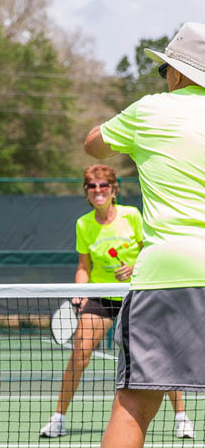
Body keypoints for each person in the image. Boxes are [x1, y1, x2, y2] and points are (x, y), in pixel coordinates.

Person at [84, 22, 205, 448]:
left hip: (166, 274)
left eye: (164, 71)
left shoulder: (149, 110)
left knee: (134, 404)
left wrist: (126, 134)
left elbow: (94, 144)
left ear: (176, 73)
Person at [39, 165, 194, 439]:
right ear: (86, 193)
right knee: (79, 353)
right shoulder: (83, 224)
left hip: (138, 292)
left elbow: (153, 249)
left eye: (103, 185)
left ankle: (181, 418)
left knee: (161, 357)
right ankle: (58, 418)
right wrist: (79, 290)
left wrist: (135, 266)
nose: (98, 191)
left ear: (114, 190)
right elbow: (83, 266)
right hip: (102, 296)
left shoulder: (132, 216)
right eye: (92, 186)